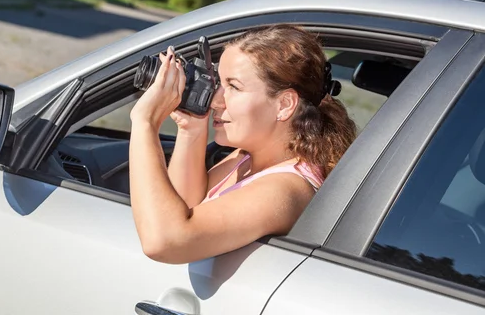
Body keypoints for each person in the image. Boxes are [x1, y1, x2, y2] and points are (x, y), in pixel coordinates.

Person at [129, 24, 357, 264]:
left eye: (233, 87)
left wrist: (145, 123)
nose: (216, 100)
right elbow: (181, 206)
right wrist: (191, 130)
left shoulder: (285, 188)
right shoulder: (247, 158)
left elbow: (165, 241)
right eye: (219, 83)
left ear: (284, 104)